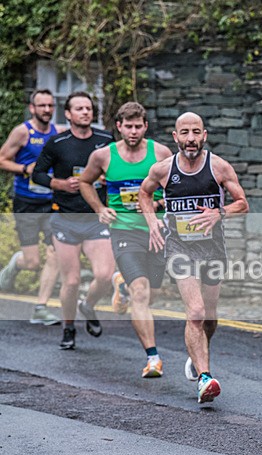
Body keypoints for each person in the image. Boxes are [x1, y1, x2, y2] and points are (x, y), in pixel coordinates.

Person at [139, 112, 248, 403]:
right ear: (175, 137)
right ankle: (204, 377)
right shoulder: (163, 169)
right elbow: (144, 194)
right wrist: (153, 224)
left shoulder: (219, 167)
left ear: (204, 135)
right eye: (184, 132)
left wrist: (219, 213)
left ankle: (197, 354)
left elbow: (243, 203)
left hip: (212, 249)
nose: (190, 139)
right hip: (179, 248)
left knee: (210, 318)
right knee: (196, 312)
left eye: (196, 132)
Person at [78, 102, 173, 378]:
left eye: (138, 126)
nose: (133, 132)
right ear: (119, 127)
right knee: (140, 293)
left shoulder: (161, 153)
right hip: (124, 231)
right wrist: (100, 208)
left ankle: (120, 282)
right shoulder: (103, 156)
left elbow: (174, 186)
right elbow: (85, 182)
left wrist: (160, 203)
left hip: (156, 230)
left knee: (151, 294)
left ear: (145, 126)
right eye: (128, 126)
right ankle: (153, 358)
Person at [31, 91, 115, 350]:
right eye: (79, 109)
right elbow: (37, 174)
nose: (85, 112)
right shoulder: (58, 142)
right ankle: (69, 327)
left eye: (88, 108)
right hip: (66, 218)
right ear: (67, 114)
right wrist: (59, 183)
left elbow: (117, 170)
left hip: (95, 218)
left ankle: (87, 306)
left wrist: (106, 180)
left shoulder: (105, 140)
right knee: (71, 281)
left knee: (104, 275)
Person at [0, 89, 64, 325]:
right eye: (42, 105)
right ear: (32, 108)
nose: (46, 109)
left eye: (50, 105)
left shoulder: (59, 132)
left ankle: (41, 307)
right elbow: (2, 159)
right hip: (26, 202)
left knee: (55, 251)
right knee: (32, 262)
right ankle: (16, 263)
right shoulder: (22, 132)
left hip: (50, 202)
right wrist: (25, 169)